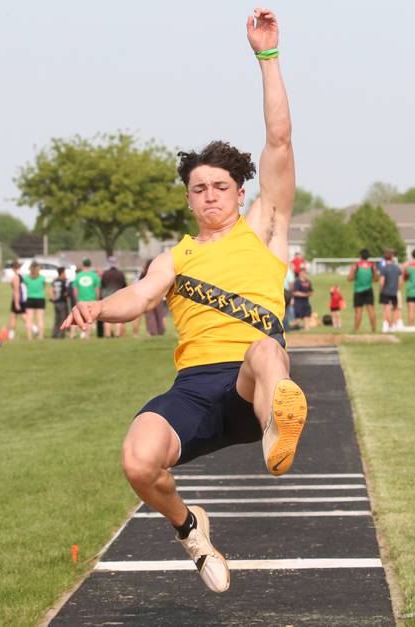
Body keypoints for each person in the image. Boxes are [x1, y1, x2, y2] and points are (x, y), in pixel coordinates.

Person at [62, 9, 305, 593]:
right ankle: (191, 530)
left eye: (220, 186)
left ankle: (277, 427)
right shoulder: (176, 258)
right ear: (190, 200)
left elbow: (278, 138)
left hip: (249, 383)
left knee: (266, 350)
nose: (210, 196)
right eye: (199, 189)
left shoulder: (264, 228)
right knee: (138, 461)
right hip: (195, 388)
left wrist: (268, 59)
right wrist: (97, 308)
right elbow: (138, 296)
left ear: (239, 192)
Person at [348, 248, 378, 332]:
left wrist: (355, 277)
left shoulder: (355, 265)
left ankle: (356, 330)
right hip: (369, 289)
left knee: (358, 311)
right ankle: (374, 329)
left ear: (360, 256)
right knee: (371, 310)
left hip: (358, 290)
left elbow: (350, 278)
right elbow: (376, 278)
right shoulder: (372, 265)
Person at [73, 259, 101, 339]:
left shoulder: (78, 276)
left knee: (80, 317)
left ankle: (80, 333)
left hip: (81, 300)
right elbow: (97, 290)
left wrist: (76, 299)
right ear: (90, 265)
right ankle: (87, 336)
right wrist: (97, 299)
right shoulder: (94, 276)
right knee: (89, 318)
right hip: (91, 300)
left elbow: (75, 289)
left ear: (83, 265)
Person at [101, 257, 128, 337]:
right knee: (118, 315)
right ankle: (118, 334)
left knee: (106, 315)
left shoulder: (105, 273)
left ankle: (107, 334)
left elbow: (103, 285)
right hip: (118, 295)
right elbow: (124, 285)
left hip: (107, 295)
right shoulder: (120, 273)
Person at [23, 262, 47, 340]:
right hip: (40, 299)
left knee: (29, 319)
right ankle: (40, 337)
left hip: (30, 298)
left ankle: (29, 337)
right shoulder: (42, 278)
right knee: (40, 319)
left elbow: (25, 285)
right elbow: (44, 287)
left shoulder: (26, 278)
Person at [379, 250, 401, 332]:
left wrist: (381, 290)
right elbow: (400, 281)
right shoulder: (396, 268)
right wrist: (397, 288)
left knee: (386, 308)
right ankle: (394, 324)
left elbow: (382, 282)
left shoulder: (384, 269)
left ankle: (389, 324)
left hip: (386, 291)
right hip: (394, 291)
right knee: (395, 309)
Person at [7, 260, 27, 340]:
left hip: (18, 298)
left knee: (13, 316)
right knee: (24, 315)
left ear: (13, 268)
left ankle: (11, 334)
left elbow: (16, 290)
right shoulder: (23, 274)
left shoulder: (16, 276)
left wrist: (16, 302)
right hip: (24, 298)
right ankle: (34, 329)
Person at [51, 267, 70, 338]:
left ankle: (54, 334)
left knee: (57, 319)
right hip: (62, 302)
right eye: (65, 273)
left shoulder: (54, 281)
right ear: (62, 273)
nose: (65, 274)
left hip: (56, 302)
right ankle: (61, 334)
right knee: (63, 319)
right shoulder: (64, 281)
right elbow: (66, 293)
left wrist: (53, 299)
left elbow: (52, 291)